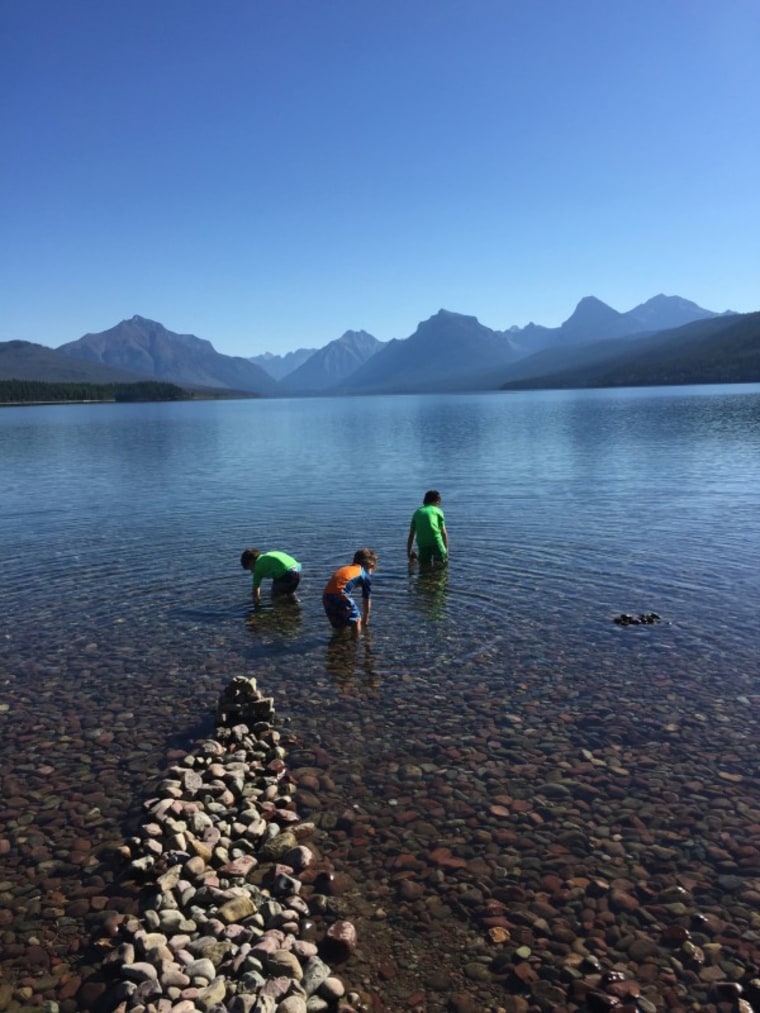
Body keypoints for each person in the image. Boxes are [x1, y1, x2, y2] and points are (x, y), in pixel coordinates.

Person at [322, 548, 377, 633]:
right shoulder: (364, 574)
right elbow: (366, 600)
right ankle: (357, 642)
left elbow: (340, 583)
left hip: (326, 596)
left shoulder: (347, 568)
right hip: (340, 595)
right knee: (357, 620)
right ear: (370, 565)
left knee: (340, 626)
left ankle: (339, 643)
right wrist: (365, 619)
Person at [407, 489, 448, 566]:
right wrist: (446, 549)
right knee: (441, 567)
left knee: (424, 567)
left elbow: (411, 535)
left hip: (422, 544)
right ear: (437, 501)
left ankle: (424, 577)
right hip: (436, 542)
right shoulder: (438, 511)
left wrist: (409, 551)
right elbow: (444, 532)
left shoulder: (417, 512)